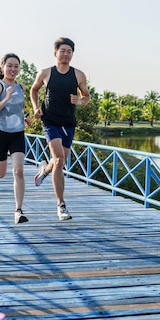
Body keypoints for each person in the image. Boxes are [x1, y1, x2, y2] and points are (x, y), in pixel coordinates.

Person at [30, 37, 91, 220]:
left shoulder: (78, 74)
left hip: (68, 122)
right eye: (62, 51)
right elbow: (34, 90)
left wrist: (79, 101)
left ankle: (44, 171)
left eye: (69, 51)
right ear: (55, 53)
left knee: (59, 161)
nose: (65, 54)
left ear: (72, 54)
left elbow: (86, 96)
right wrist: (35, 108)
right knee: (59, 159)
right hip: (50, 121)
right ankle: (61, 205)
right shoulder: (45, 73)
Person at [0, 53, 31, 224]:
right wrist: (7, 98)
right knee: (1, 173)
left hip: (17, 133)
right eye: (9, 65)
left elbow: (17, 109)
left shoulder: (22, 87)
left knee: (18, 170)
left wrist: (25, 118)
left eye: (16, 66)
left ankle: (18, 210)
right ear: (3, 66)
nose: (13, 69)